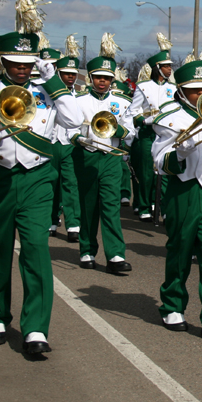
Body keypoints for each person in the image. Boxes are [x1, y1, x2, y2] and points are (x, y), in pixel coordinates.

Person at [0, 31, 81, 354]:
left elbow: (75, 120)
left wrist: (54, 80)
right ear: (2, 61)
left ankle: (36, 328)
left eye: (27, 63)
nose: (22, 68)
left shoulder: (47, 92)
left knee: (35, 249)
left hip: (37, 179)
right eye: (15, 63)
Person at [151, 60, 202, 340]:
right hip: (183, 190)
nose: (201, 94)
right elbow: (159, 162)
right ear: (181, 91)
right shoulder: (169, 118)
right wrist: (181, 151)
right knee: (180, 250)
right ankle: (172, 305)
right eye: (194, 89)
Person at [69, 52, 136, 273]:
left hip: (111, 156)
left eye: (107, 78)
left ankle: (115, 254)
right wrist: (80, 139)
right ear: (90, 78)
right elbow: (69, 129)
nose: (102, 82)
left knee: (110, 205)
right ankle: (87, 250)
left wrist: (117, 129)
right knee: (88, 205)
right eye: (98, 77)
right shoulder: (77, 100)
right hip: (86, 155)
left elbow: (131, 132)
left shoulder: (122, 102)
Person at [129, 47, 176, 222]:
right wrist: (143, 120)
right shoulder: (143, 87)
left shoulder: (173, 88)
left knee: (166, 171)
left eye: (170, 66)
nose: (170, 69)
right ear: (158, 68)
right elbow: (133, 111)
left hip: (167, 133)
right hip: (148, 132)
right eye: (166, 66)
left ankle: (164, 207)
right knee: (146, 173)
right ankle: (144, 207)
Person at [49, 53, 82, 242]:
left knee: (71, 184)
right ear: (58, 73)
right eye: (66, 73)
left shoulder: (80, 97)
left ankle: (73, 225)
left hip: (70, 145)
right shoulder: (48, 94)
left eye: (73, 73)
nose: (70, 77)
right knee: (51, 183)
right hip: (51, 144)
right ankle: (51, 221)